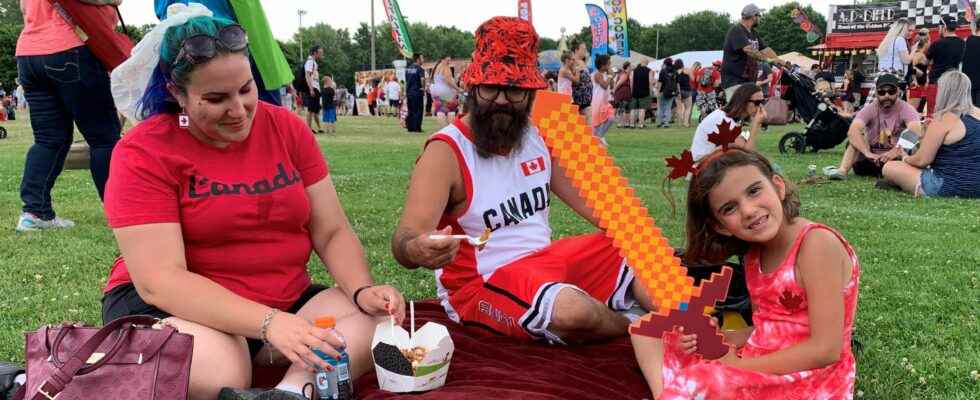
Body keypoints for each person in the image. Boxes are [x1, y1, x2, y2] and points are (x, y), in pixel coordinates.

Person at [99, 16, 406, 400]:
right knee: (222, 371)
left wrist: (362, 290)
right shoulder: (143, 151)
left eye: (246, 90)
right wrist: (270, 324)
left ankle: (292, 392)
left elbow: (331, 230)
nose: (239, 109)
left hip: (280, 297)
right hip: (175, 305)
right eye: (215, 99)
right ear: (177, 93)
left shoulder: (286, 128)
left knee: (380, 324)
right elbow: (159, 280)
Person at [391, 16, 653, 345]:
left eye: (513, 90)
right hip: (483, 284)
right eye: (491, 88)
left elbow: (603, 209)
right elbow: (405, 239)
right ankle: (637, 328)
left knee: (643, 253)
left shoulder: (540, 134)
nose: (501, 100)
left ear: (530, 93)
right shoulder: (447, 151)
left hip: (545, 264)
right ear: (473, 87)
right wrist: (417, 249)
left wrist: (641, 244)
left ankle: (696, 331)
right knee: (572, 312)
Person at [633, 147, 860, 399]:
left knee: (710, 380)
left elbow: (826, 350)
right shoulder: (754, 253)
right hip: (759, 357)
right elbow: (768, 326)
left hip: (810, 376)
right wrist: (720, 336)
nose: (749, 210)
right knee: (647, 331)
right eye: (730, 208)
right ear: (720, 226)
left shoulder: (816, 245)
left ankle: (681, 390)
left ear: (778, 186)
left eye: (754, 191)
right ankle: (667, 393)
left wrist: (737, 366)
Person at [14, 0, 122, 231]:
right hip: (70, 46)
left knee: (48, 140)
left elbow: (25, 9)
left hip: (29, 52)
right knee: (103, 137)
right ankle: (121, 214)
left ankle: (34, 213)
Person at [882, 71, 980, 197]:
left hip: (947, 185)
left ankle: (903, 183)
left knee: (890, 167)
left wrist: (904, 157)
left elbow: (922, 160)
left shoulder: (943, 119)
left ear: (943, 92)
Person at [825, 74, 923, 181]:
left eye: (891, 92)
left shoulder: (906, 109)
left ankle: (914, 173)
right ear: (876, 93)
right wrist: (867, 153)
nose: (887, 96)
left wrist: (895, 152)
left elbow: (916, 130)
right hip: (868, 161)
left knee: (914, 145)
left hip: (895, 162)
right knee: (856, 139)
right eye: (882, 92)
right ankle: (842, 171)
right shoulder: (870, 108)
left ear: (898, 91)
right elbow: (853, 131)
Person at [721, 4, 785, 101]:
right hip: (734, 81)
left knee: (751, 111)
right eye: (758, 15)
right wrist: (768, 60)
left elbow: (765, 49)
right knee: (738, 112)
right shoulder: (736, 30)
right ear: (753, 16)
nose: (759, 18)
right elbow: (749, 50)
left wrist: (779, 60)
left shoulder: (753, 33)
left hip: (748, 81)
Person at [691, 84, 767, 162]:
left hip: (711, 163)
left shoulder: (725, 116)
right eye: (757, 102)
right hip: (702, 166)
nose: (760, 107)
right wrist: (756, 123)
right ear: (743, 101)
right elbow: (747, 155)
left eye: (763, 102)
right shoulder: (723, 121)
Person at [924, 15, 966, 116]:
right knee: (950, 114)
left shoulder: (937, 43)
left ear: (943, 27)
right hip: (954, 84)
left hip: (936, 83)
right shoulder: (962, 43)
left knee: (932, 114)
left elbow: (925, 62)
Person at [431, 55, 463, 127]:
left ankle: (443, 129)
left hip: (437, 92)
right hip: (446, 92)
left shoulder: (436, 67)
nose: (449, 62)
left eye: (449, 60)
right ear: (442, 59)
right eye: (447, 60)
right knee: (451, 110)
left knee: (440, 110)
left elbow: (433, 80)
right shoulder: (446, 67)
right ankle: (449, 129)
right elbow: (449, 81)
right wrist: (458, 89)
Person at [591, 54, 615, 145]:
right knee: (597, 124)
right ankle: (597, 139)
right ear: (602, 65)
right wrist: (609, 77)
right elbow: (604, 86)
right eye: (608, 64)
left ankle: (600, 137)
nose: (610, 66)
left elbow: (611, 86)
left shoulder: (606, 74)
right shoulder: (597, 74)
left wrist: (611, 76)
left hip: (605, 102)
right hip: (597, 102)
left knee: (611, 118)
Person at [569, 39, 593, 127]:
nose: (585, 51)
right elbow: (573, 80)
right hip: (579, 99)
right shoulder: (573, 62)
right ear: (576, 50)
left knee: (586, 125)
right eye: (583, 49)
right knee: (586, 126)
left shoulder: (582, 62)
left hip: (585, 99)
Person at [908, 29, 931, 112]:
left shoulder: (920, 54)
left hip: (920, 88)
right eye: (930, 40)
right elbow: (910, 67)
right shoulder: (918, 55)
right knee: (913, 113)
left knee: (916, 112)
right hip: (916, 89)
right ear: (926, 42)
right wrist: (915, 79)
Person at [304, 45, 324, 133]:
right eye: (320, 52)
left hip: (315, 87)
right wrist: (311, 88)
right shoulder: (310, 61)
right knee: (310, 109)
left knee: (315, 109)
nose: (322, 54)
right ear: (315, 53)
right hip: (312, 87)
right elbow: (307, 74)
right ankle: (308, 128)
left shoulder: (313, 62)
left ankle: (318, 127)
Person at [630, 57, 654, 128]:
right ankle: (641, 124)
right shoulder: (649, 71)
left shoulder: (633, 71)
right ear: (647, 63)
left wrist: (631, 91)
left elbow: (631, 81)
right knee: (642, 109)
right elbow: (650, 82)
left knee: (633, 109)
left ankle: (632, 124)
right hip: (645, 92)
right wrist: (651, 91)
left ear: (640, 62)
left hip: (635, 92)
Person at [405, 52, 426, 133]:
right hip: (417, 92)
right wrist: (423, 88)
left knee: (410, 110)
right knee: (418, 110)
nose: (423, 60)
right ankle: (417, 128)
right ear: (418, 59)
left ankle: (410, 127)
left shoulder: (408, 68)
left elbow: (406, 80)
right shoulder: (420, 69)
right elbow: (422, 79)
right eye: (422, 58)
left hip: (409, 92)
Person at [656, 58, 678, 128]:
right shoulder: (675, 71)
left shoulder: (662, 71)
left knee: (661, 107)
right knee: (668, 107)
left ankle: (660, 122)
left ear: (665, 63)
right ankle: (666, 123)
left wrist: (658, 91)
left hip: (663, 91)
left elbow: (660, 82)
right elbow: (677, 83)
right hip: (672, 92)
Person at [962, 22, 980, 107]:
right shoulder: (966, 41)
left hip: (968, 85)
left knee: (970, 116)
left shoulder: (966, 41)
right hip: (970, 86)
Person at [614, 61, 633, 128]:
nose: (631, 67)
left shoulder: (625, 74)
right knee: (622, 108)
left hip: (625, 94)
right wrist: (614, 90)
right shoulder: (625, 74)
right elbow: (618, 83)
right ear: (628, 67)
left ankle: (626, 123)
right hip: (622, 94)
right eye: (630, 66)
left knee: (627, 109)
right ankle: (621, 123)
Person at [675, 59, 693, 128]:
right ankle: (685, 123)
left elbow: (676, 83)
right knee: (688, 108)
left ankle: (679, 123)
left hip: (678, 91)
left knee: (679, 108)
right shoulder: (686, 70)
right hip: (687, 90)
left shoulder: (675, 72)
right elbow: (692, 79)